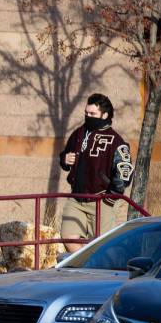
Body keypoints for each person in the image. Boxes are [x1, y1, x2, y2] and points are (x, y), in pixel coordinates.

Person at [59, 93, 134, 253]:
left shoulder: (116, 141)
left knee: (102, 246)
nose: (88, 116)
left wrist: (111, 197)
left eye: (92, 114)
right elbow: (65, 155)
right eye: (86, 113)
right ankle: (86, 266)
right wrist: (65, 159)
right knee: (68, 236)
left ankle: (103, 273)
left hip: (101, 200)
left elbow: (125, 170)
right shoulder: (78, 133)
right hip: (76, 198)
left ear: (104, 115)